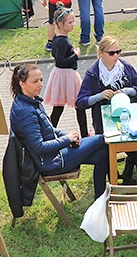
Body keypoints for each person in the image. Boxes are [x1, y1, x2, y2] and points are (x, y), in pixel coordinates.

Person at [10, 64, 109, 197]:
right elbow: (38, 147)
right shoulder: (24, 111)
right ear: (22, 83)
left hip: (54, 155)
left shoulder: (30, 101)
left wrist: (66, 136)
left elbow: (48, 128)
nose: (40, 84)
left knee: (102, 155)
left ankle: (101, 199)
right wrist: (66, 139)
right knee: (102, 139)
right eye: (35, 81)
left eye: (41, 80)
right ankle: (111, 189)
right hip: (51, 162)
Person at [76, 37, 137, 183]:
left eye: (118, 52)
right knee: (107, 148)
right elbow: (80, 102)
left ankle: (131, 168)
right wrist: (99, 96)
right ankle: (125, 173)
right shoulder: (93, 73)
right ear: (101, 53)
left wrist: (126, 91)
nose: (116, 56)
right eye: (112, 53)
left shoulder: (125, 67)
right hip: (104, 120)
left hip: (128, 114)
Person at [42, 5, 88, 137]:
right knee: (78, 105)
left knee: (59, 107)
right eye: (70, 22)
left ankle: (48, 132)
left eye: (73, 21)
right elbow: (60, 61)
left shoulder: (57, 38)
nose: (73, 24)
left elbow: (55, 55)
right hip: (67, 75)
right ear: (60, 24)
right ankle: (84, 135)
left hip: (61, 75)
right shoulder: (62, 41)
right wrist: (76, 55)